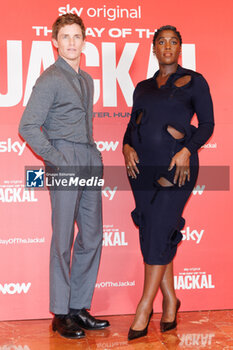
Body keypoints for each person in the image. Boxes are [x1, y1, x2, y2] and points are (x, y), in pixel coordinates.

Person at [19, 14, 109, 339]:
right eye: (65, 36)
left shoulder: (87, 80)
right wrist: (58, 159)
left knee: (92, 235)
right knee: (63, 238)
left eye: (77, 36)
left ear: (84, 41)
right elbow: (27, 126)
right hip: (64, 158)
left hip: (87, 157)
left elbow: (84, 123)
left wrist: (94, 155)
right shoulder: (50, 78)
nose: (72, 42)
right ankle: (59, 313)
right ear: (55, 42)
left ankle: (78, 307)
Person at [123, 25, 214, 340]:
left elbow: (207, 125)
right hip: (141, 171)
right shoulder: (143, 87)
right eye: (161, 41)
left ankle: (144, 307)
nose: (167, 46)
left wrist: (188, 150)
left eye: (173, 41)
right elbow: (131, 123)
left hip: (178, 167)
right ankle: (171, 301)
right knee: (154, 232)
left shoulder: (195, 81)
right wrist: (126, 147)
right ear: (154, 48)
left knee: (159, 228)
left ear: (180, 48)